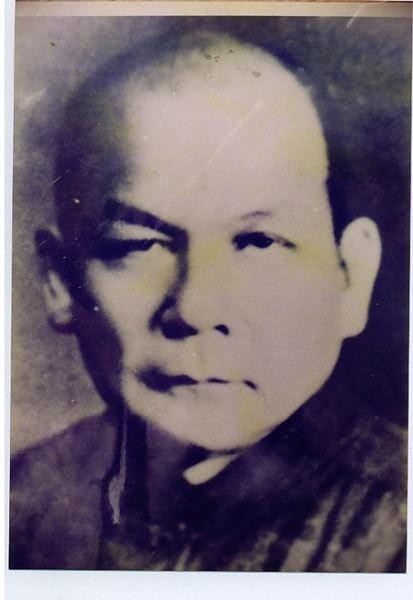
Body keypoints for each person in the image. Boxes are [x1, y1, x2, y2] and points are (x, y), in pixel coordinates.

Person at [9, 29, 406, 571]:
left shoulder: (395, 526)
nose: (196, 308)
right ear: (60, 282)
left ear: (352, 277)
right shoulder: (20, 506)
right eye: (137, 246)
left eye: (259, 242)